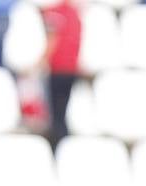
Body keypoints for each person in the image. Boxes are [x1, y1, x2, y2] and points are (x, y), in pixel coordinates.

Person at [42, 0, 82, 146]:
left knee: (57, 114)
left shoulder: (56, 13)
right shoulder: (75, 14)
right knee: (62, 112)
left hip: (58, 69)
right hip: (71, 69)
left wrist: (42, 61)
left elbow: (52, 40)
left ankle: (59, 145)